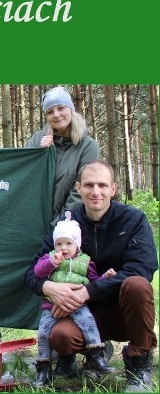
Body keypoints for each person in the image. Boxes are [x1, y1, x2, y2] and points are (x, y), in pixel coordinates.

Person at [24, 160, 157, 392]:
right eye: (89, 185)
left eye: (102, 185)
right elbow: (31, 272)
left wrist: (88, 291)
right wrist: (49, 288)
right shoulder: (66, 225)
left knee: (138, 285)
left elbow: (142, 268)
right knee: (61, 336)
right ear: (78, 187)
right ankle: (92, 352)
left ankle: (139, 364)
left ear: (113, 189)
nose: (96, 192)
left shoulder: (133, 219)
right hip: (83, 315)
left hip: (123, 311)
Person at [31, 217, 115, 386]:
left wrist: (105, 277)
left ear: (77, 244)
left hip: (78, 305)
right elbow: (37, 273)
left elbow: (94, 281)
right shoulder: (49, 258)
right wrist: (51, 263)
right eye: (59, 244)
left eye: (68, 243)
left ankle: (96, 356)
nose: (63, 248)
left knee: (88, 323)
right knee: (42, 334)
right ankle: (44, 369)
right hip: (52, 307)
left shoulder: (85, 261)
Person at [25, 86, 100, 226]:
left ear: (70, 109)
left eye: (61, 108)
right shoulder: (37, 140)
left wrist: (60, 224)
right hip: (35, 221)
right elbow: (25, 179)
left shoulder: (88, 146)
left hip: (70, 224)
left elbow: (79, 190)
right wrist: (40, 155)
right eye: (50, 112)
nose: (56, 115)